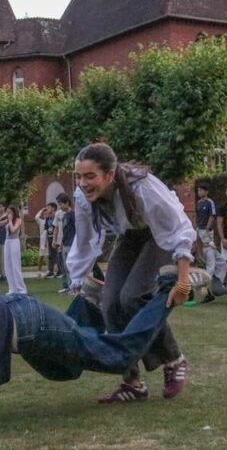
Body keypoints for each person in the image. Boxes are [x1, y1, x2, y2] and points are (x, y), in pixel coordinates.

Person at [0, 247, 210, 442]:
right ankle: (88, 304)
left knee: (117, 355)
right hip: (24, 330)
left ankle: (168, 287)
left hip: (32, 325)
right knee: (64, 371)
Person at [67, 143, 195, 403]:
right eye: (78, 176)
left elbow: (178, 228)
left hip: (159, 236)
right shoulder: (82, 197)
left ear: (110, 174)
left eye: (90, 176)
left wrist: (182, 279)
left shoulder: (142, 186)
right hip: (130, 236)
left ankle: (174, 359)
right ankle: (132, 382)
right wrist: (77, 279)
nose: (83, 183)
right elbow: (84, 239)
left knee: (132, 297)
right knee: (110, 303)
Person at [0, 205, 26, 295]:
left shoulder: (18, 220)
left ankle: (21, 288)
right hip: (7, 242)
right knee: (8, 265)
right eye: (7, 212)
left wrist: (10, 220)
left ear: (13, 212)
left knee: (15, 265)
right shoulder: (7, 220)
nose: (8, 214)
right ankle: (12, 288)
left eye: (9, 212)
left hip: (14, 242)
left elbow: (13, 229)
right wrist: (3, 217)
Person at [56, 193, 76, 294]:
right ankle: (69, 286)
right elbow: (64, 231)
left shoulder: (73, 215)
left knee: (71, 267)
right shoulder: (64, 216)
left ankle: (74, 287)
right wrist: (61, 244)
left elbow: (76, 230)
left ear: (67, 203)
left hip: (72, 244)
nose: (60, 207)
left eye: (61, 204)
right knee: (66, 267)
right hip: (65, 244)